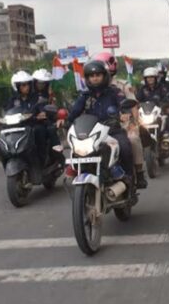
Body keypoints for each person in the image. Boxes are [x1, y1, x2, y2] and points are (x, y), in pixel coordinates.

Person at [58, 61, 137, 199]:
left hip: (112, 131)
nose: (94, 78)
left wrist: (125, 113)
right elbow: (75, 112)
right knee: (77, 150)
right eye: (91, 75)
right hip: (91, 133)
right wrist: (65, 121)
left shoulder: (114, 92)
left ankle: (128, 178)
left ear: (104, 76)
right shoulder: (85, 96)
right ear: (87, 79)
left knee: (125, 146)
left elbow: (124, 105)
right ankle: (77, 173)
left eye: (98, 75)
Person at [93, 52, 147, 188]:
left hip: (122, 126)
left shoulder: (121, 86)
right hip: (98, 128)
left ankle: (138, 173)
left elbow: (132, 105)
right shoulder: (89, 89)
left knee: (133, 140)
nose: (96, 76)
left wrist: (134, 123)